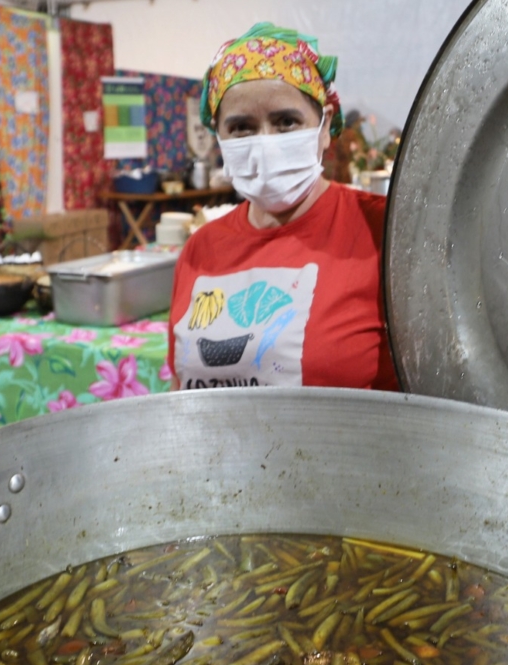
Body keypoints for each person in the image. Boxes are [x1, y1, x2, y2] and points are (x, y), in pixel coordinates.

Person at [167, 23, 397, 391]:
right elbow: (182, 387)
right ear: (219, 137)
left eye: (286, 122)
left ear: (324, 125)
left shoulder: (383, 230)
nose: (265, 144)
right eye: (241, 127)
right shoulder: (200, 251)